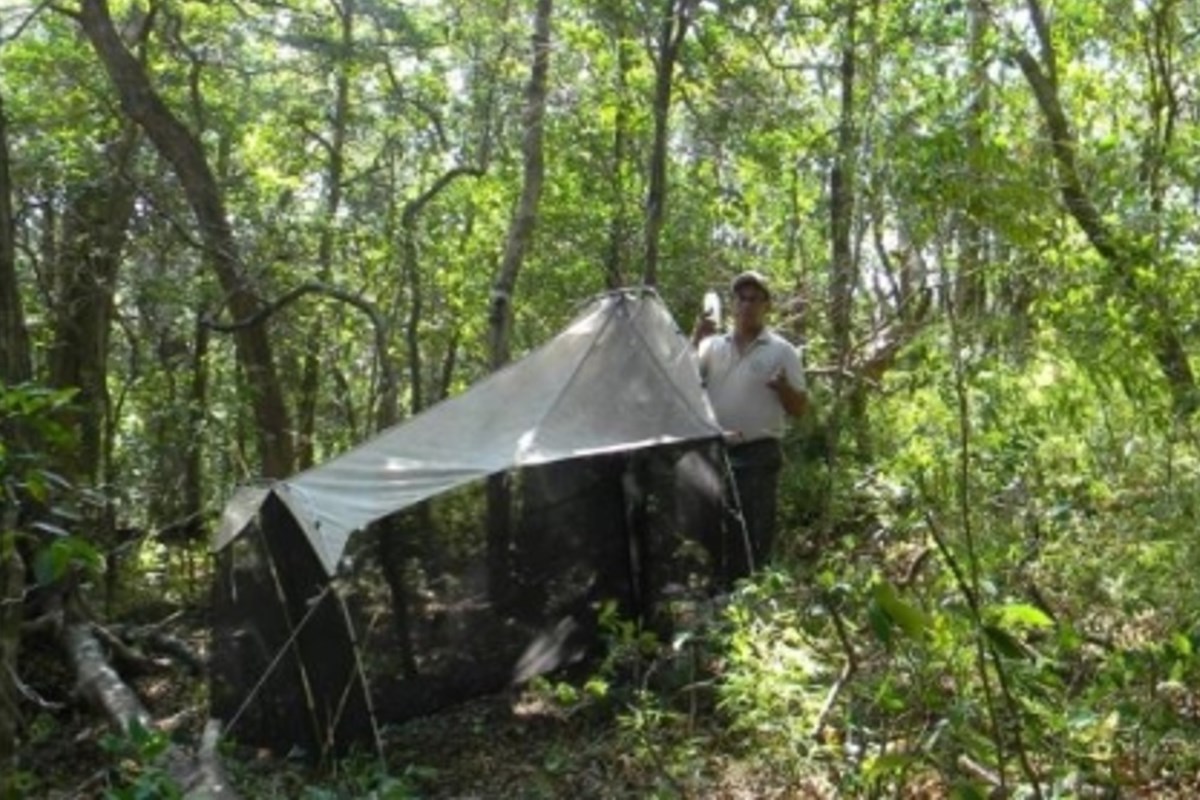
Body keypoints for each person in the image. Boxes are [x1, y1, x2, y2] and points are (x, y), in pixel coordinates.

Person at [691, 270, 807, 580]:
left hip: (759, 453)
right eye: (741, 298)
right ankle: (717, 596)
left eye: (755, 299)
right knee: (714, 530)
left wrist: (782, 388)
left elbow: (799, 409)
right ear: (732, 304)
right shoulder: (711, 347)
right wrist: (695, 338)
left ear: (767, 305)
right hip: (714, 453)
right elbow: (685, 386)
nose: (747, 305)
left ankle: (752, 600)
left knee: (754, 531)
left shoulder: (783, 351)